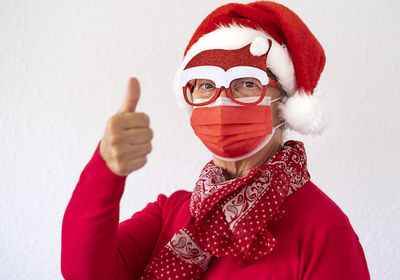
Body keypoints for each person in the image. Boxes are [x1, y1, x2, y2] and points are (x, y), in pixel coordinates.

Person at [61, 1, 370, 279]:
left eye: (247, 83)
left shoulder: (324, 230)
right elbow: (84, 273)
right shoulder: (169, 214)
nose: (222, 101)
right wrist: (105, 170)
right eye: (206, 84)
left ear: (286, 106)